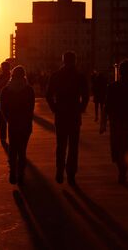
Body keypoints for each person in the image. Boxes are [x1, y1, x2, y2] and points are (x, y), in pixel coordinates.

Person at [46, 51, 89, 185]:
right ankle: (71, 173)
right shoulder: (79, 76)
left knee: (61, 144)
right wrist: (81, 108)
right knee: (73, 146)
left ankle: (60, 170)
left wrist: (54, 108)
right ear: (75, 61)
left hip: (61, 114)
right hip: (74, 114)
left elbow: (48, 95)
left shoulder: (56, 76)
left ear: (63, 60)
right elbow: (86, 95)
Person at [0, 66, 35, 185]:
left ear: (12, 75)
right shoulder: (29, 90)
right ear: (24, 75)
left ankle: (12, 172)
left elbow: (2, 107)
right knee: (22, 150)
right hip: (25, 124)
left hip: (13, 123)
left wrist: (8, 119)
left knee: (13, 149)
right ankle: (20, 173)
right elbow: (31, 108)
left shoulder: (6, 90)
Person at [0, 61, 12, 147]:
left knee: (3, 120)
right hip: (5, 102)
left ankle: (3, 137)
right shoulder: (10, 77)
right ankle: (5, 136)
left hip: (5, 102)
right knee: (4, 120)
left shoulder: (2, 77)